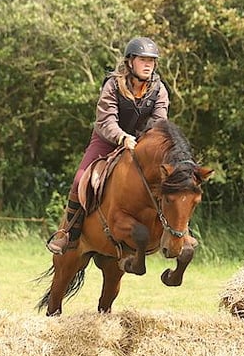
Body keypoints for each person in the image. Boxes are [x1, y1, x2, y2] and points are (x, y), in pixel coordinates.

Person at [46, 36, 170, 255]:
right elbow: (105, 121)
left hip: (140, 145)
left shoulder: (159, 90)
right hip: (106, 140)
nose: (148, 64)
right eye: (143, 60)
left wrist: (145, 142)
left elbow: (160, 123)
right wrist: (122, 138)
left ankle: (175, 233)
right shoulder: (113, 85)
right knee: (78, 181)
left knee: (172, 178)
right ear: (130, 62)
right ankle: (69, 234)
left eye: (151, 60)